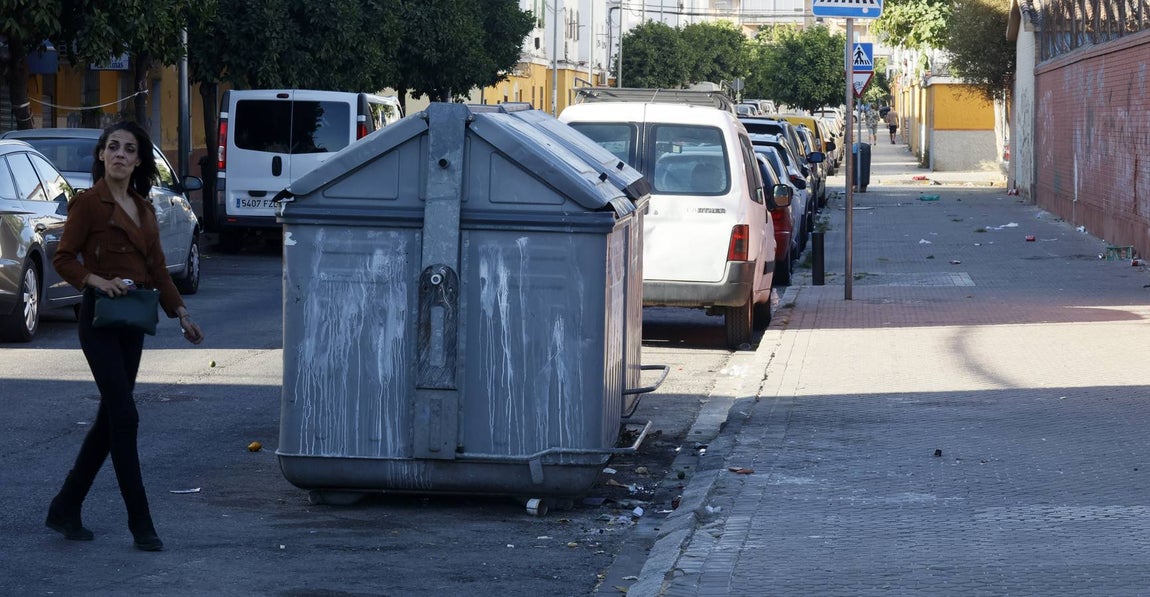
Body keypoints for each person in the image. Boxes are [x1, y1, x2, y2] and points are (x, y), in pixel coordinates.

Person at [47, 121, 205, 552]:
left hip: (132, 323)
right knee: (126, 416)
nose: (119, 154)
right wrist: (97, 281)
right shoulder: (88, 205)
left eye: (129, 149)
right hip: (99, 320)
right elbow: (64, 258)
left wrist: (182, 314)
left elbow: (157, 268)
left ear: (138, 161)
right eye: (112, 147)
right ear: (101, 155)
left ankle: (65, 507)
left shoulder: (144, 209)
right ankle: (141, 522)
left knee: (110, 420)